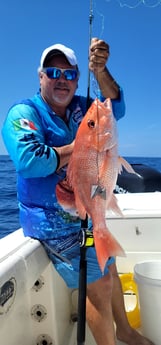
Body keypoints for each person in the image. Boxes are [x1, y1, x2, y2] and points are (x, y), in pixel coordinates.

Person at [2, 38, 154, 345]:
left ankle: (124, 330)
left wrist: (100, 71)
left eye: (69, 74)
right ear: (40, 76)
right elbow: (30, 161)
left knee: (108, 273)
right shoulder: (23, 113)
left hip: (88, 211)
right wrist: (85, 146)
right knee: (96, 286)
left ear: (76, 80)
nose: (61, 80)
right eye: (52, 72)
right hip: (52, 224)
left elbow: (116, 104)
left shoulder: (83, 108)